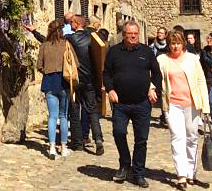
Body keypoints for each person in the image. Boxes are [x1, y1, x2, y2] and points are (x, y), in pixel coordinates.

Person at [103, 21, 161, 187]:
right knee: (119, 132)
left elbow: (157, 74)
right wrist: (110, 90)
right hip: (121, 103)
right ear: (124, 35)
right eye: (130, 34)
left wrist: (154, 88)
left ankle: (138, 173)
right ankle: (124, 163)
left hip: (142, 103)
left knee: (141, 139)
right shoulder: (114, 52)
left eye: (136, 33)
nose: (134, 36)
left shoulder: (146, 51)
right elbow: (106, 74)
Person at [157, 30, 211, 188]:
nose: (175, 46)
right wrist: (152, 88)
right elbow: (154, 77)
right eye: (173, 43)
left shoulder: (193, 59)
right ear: (168, 44)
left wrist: (205, 106)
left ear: (183, 44)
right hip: (172, 104)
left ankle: (191, 173)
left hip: (192, 104)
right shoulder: (162, 60)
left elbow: (201, 81)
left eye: (178, 43)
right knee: (177, 137)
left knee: (191, 138)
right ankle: (181, 174)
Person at [67, 15, 103, 154]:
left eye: (71, 22)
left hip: (75, 79)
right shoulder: (91, 39)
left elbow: (51, 42)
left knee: (75, 110)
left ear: (77, 24)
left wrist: (35, 32)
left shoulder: (71, 38)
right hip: (89, 79)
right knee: (92, 110)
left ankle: (77, 142)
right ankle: (98, 139)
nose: (70, 24)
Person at [37, 19, 73, 159]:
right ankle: (63, 147)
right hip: (63, 82)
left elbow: (39, 66)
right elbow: (75, 63)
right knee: (63, 116)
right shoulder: (66, 44)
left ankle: (52, 147)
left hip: (49, 82)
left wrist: (48, 71)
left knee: (52, 116)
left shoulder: (44, 46)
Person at [150, 27, 169, 127]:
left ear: (165, 35)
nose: (159, 34)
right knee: (159, 94)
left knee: (166, 94)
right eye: (158, 32)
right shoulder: (153, 46)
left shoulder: (169, 46)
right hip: (156, 73)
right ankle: (164, 115)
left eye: (162, 33)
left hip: (166, 73)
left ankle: (166, 116)